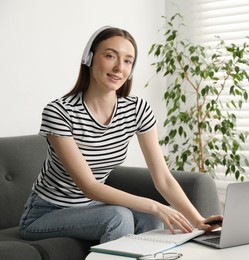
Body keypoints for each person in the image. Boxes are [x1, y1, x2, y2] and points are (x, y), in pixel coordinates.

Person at [19, 26, 222, 243]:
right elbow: (90, 187)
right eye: (110, 56)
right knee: (118, 216)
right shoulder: (60, 112)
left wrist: (198, 220)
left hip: (91, 208)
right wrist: (156, 205)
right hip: (45, 213)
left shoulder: (136, 109)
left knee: (147, 216)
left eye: (127, 61)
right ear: (89, 58)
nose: (119, 68)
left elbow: (162, 178)